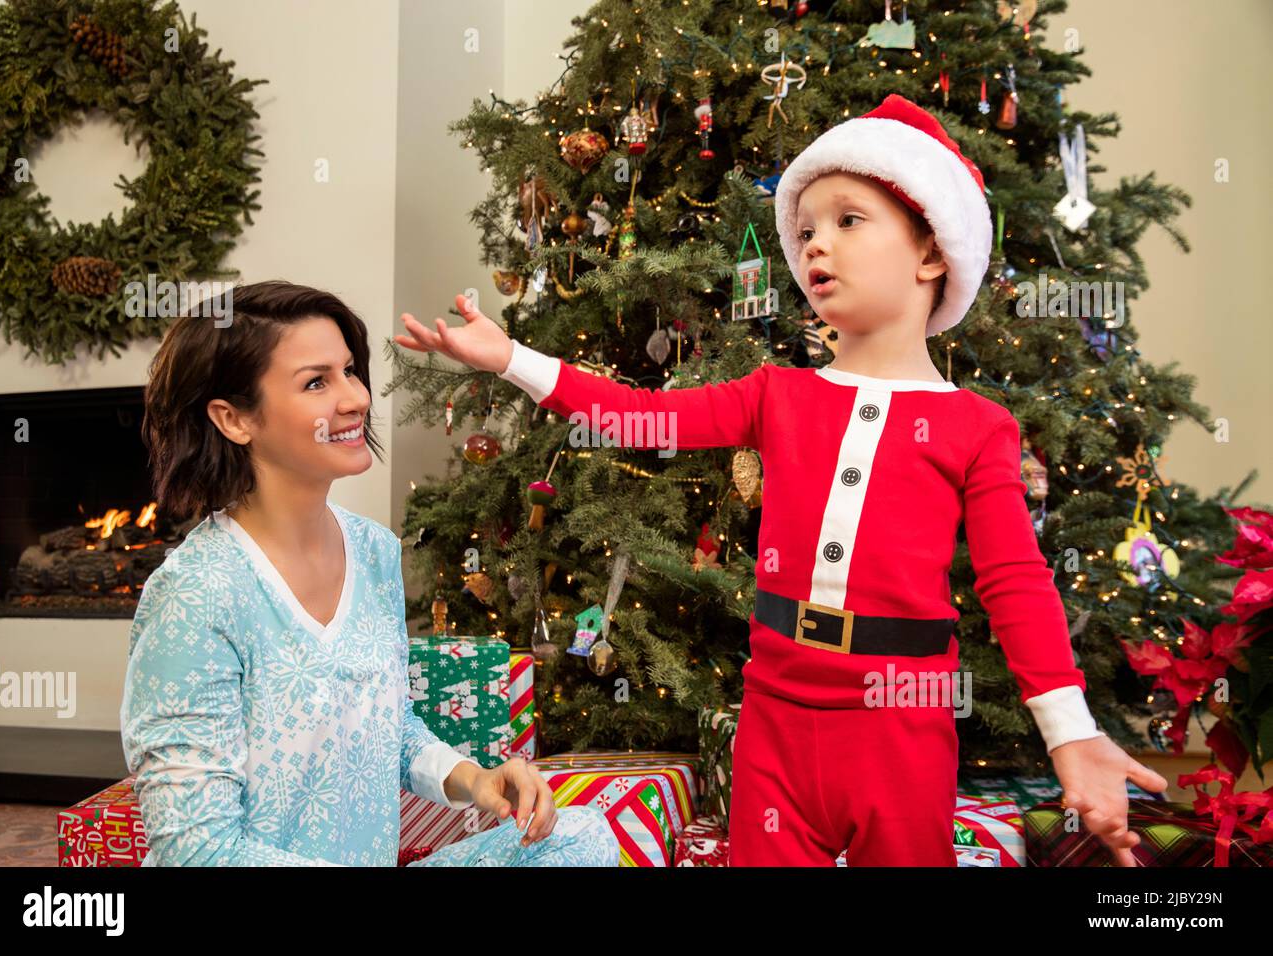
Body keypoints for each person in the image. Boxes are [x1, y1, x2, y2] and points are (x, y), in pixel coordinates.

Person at [393, 95, 1168, 867]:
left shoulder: (979, 428)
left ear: (931, 252)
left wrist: (1072, 734)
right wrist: (513, 361)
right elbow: (640, 418)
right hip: (775, 718)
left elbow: (1015, 581)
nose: (814, 246)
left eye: (848, 221)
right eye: (805, 231)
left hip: (900, 724)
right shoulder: (776, 394)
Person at [121, 280, 618, 866]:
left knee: (578, 839)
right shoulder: (195, 595)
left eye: (350, 371)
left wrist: (475, 779)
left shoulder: (374, 551)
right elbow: (195, 850)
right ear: (234, 420)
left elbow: (390, 728)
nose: (355, 397)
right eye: (316, 381)